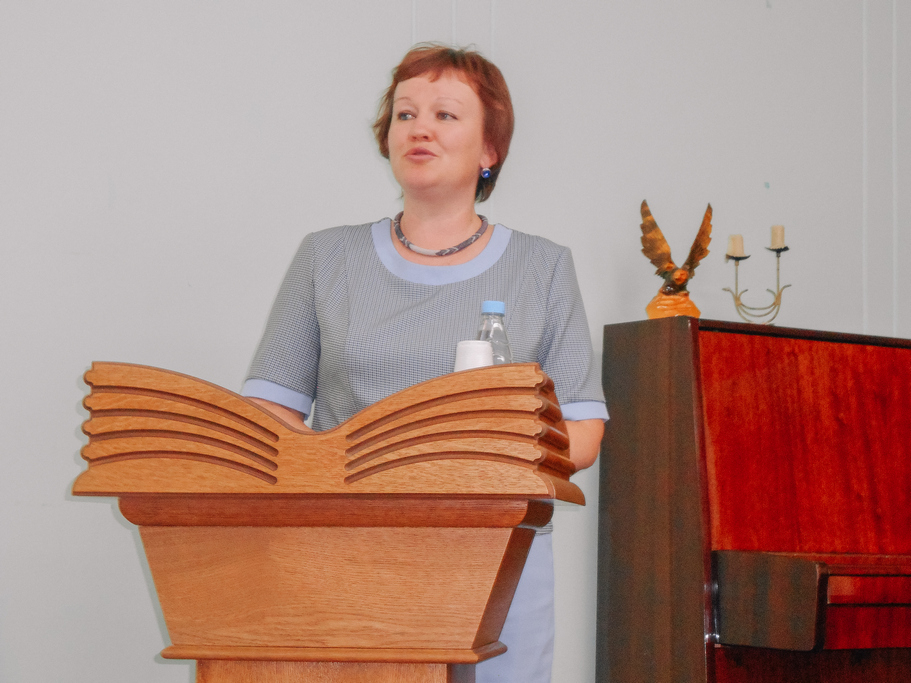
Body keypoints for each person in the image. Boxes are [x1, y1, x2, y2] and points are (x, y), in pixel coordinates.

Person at [241, 44, 607, 683]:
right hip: (347, 548)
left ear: (489, 149)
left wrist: (481, 456)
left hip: (498, 552)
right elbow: (269, 412)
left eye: (445, 114)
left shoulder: (542, 267)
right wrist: (353, 464)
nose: (419, 128)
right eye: (405, 114)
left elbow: (582, 434)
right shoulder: (327, 258)